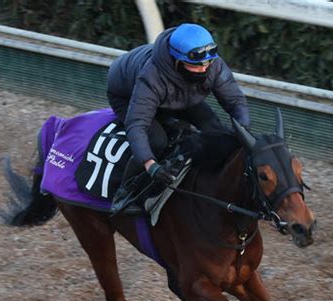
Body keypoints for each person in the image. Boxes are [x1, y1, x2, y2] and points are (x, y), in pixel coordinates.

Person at [107, 23, 251, 211]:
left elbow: (235, 101)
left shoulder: (212, 64)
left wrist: (243, 130)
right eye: (196, 65)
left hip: (180, 94)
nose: (204, 70)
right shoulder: (151, 76)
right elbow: (137, 124)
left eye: (208, 63)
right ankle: (126, 191)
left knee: (215, 129)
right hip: (127, 95)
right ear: (177, 61)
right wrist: (151, 166)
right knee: (157, 140)